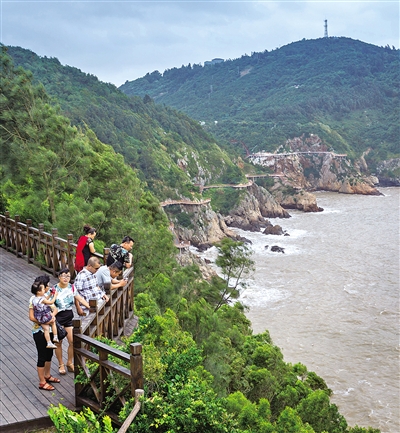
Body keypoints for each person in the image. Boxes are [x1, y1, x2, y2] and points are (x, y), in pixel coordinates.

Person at [51, 267, 90, 375]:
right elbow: (49, 303)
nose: (66, 278)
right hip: (57, 316)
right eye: (63, 276)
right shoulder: (54, 289)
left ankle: (69, 362)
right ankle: (61, 364)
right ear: (59, 277)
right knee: (58, 342)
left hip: (68, 315)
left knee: (72, 341)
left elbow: (80, 299)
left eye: (68, 276)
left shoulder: (72, 287)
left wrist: (90, 307)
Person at [29, 274, 61, 391]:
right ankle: (42, 381)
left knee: (49, 354)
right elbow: (31, 317)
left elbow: (55, 308)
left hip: (51, 328)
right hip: (39, 331)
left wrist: (51, 316)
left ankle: (47, 375)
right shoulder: (34, 300)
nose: (48, 287)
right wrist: (45, 321)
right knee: (42, 355)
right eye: (47, 285)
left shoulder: (46, 296)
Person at [31, 280, 59, 349]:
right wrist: (55, 296)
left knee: (46, 329)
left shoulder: (34, 299)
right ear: (39, 291)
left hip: (39, 317)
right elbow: (50, 302)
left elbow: (45, 300)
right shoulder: (42, 299)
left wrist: (49, 295)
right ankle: (55, 337)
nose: (45, 290)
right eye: (43, 289)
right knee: (53, 322)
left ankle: (49, 342)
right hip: (44, 316)